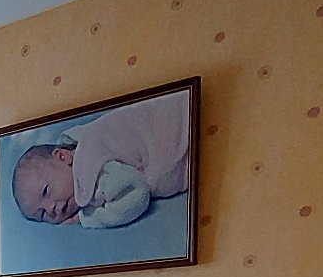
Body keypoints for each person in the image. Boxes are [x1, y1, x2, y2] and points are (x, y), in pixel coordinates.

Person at [11, 88, 192, 226]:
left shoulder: (90, 166)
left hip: (179, 130)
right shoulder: (86, 141)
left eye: (45, 191)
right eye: (42, 214)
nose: (50, 208)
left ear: (63, 156)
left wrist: (88, 219)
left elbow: (135, 196)